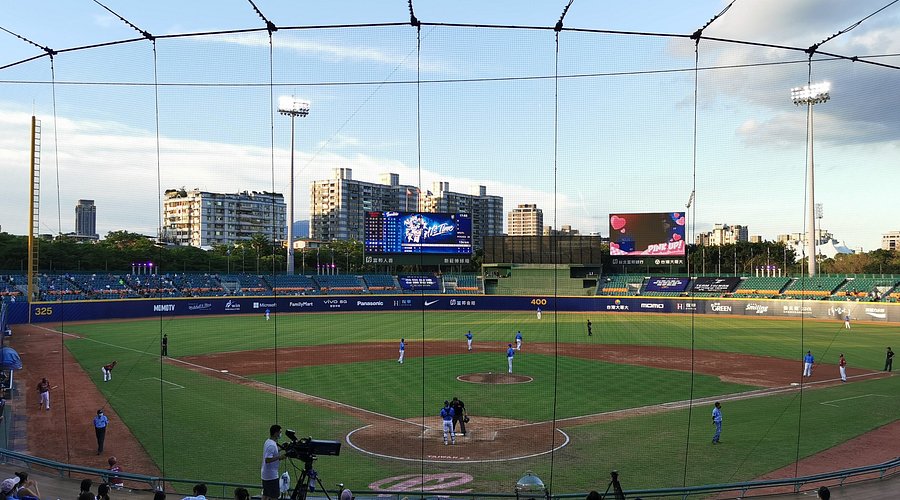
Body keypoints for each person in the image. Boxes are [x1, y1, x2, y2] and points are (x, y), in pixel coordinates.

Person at [261, 425, 287, 500]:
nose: (280, 434)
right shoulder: (272, 445)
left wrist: (280, 449)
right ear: (275, 433)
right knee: (274, 496)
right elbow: (267, 460)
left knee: (265, 495)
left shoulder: (268, 441)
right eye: (280, 432)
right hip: (271, 476)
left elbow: (272, 453)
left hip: (266, 474)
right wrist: (280, 457)